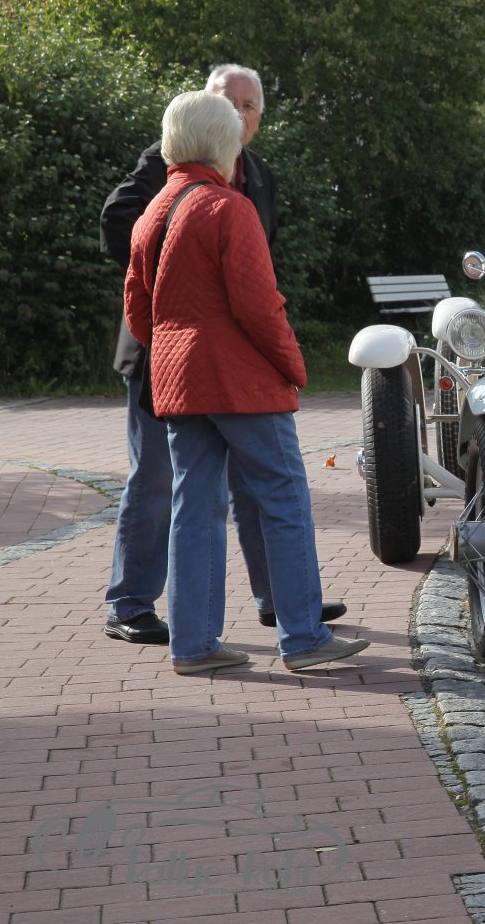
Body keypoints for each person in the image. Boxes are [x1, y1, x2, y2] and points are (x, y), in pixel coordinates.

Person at [123, 90, 369, 674]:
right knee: (283, 497)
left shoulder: (152, 212)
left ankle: (193, 644)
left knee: (193, 508)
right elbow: (260, 306)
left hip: (178, 380)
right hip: (240, 380)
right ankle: (303, 636)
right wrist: (293, 365)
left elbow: (137, 309)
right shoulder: (228, 207)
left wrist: (172, 349)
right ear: (223, 144)